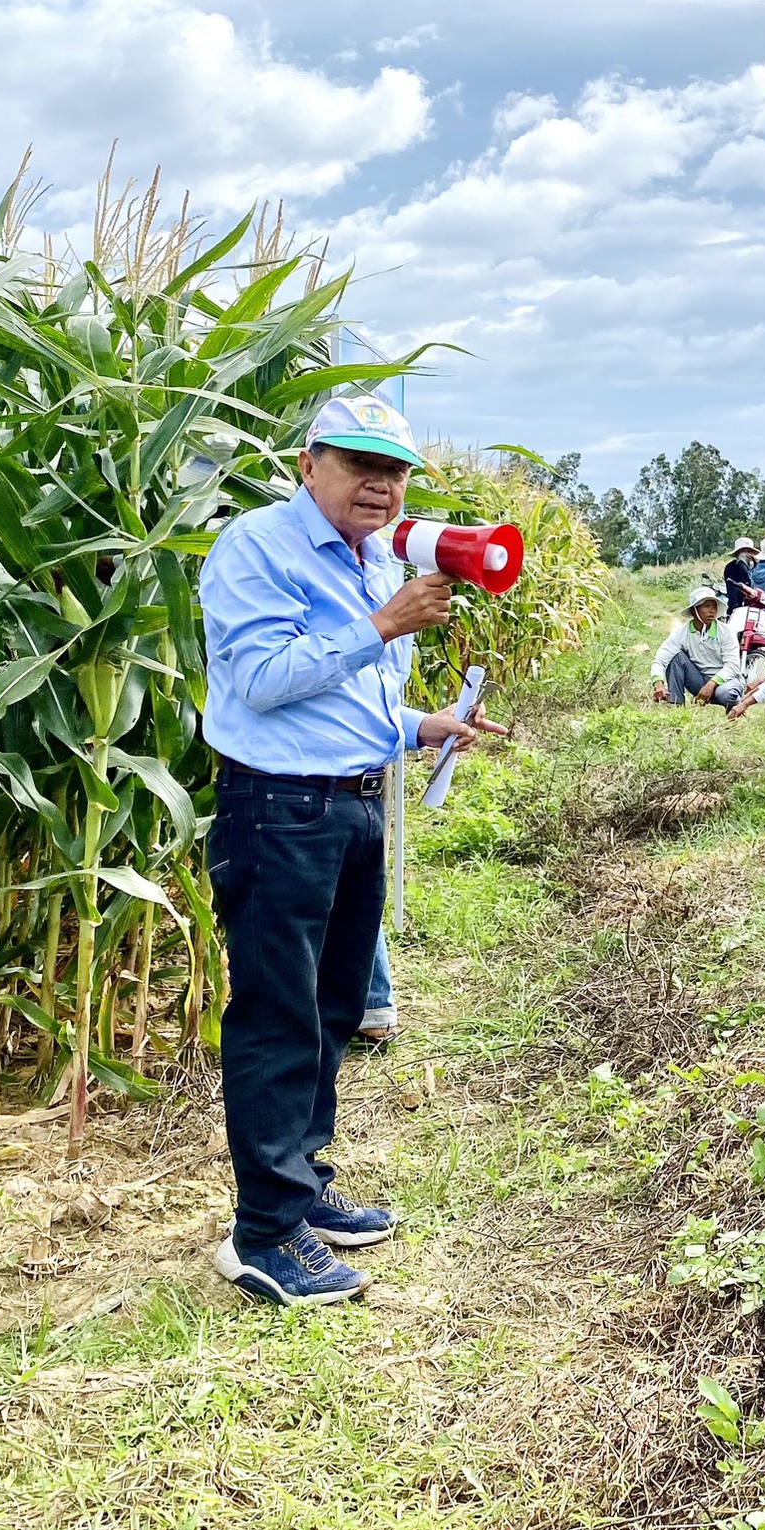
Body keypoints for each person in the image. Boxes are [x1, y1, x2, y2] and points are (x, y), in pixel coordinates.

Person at [198, 394, 504, 1305]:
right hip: (277, 811)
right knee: (277, 1015)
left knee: (332, 1010)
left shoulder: (378, 558)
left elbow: (348, 697)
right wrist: (384, 624)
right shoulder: (256, 549)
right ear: (308, 465)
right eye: (358, 463)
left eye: (396, 469)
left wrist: (424, 724)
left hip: (352, 804)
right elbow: (259, 682)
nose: (381, 484)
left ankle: (303, 1191)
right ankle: (263, 1236)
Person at [654, 582, 747, 708]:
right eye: (707, 606)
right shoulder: (681, 633)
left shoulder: (726, 631)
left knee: (727, 694)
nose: (712, 610)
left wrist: (711, 684)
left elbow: (733, 665)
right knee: (675, 656)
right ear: (694, 611)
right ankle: (675, 705)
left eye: (714, 606)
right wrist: (658, 683)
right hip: (699, 681)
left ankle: (734, 710)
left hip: (726, 681)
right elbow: (660, 659)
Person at [722, 536, 758, 612]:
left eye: (749, 550)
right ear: (738, 552)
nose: (746, 553)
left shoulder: (754, 567)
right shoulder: (731, 567)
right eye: (743, 550)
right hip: (737, 605)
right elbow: (732, 589)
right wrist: (734, 607)